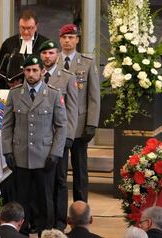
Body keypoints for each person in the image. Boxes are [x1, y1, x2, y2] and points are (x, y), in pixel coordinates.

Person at [1, 55, 67, 234]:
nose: (31, 74)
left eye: (35, 70)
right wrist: (7, 151)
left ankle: (45, 233)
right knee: (21, 199)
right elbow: (7, 125)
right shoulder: (15, 94)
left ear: (42, 71)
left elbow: (61, 126)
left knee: (45, 199)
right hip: (20, 155)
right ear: (24, 71)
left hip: (44, 156)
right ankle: (21, 233)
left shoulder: (53, 94)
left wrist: (56, 153)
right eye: (28, 70)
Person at [57, 24, 101, 203]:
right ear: (60, 39)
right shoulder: (53, 61)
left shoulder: (87, 63)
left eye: (71, 37)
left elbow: (94, 96)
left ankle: (81, 209)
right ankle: (59, 211)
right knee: (58, 172)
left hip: (80, 126)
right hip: (58, 125)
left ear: (77, 40)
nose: (67, 41)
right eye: (64, 37)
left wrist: (91, 123)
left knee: (80, 170)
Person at [39, 40, 78, 231]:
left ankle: (60, 223)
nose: (48, 56)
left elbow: (72, 110)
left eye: (51, 53)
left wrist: (69, 136)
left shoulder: (68, 78)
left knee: (60, 180)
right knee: (43, 181)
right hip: (40, 140)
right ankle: (45, 220)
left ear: (57, 55)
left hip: (60, 139)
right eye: (45, 53)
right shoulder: (34, 76)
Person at [0, 9, 48, 89]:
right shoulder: (9, 43)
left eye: (29, 28)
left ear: (36, 27)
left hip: (39, 91)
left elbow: (51, 71)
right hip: (12, 91)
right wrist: (8, 84)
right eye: (22, 28)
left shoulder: (45, 44)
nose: (25, 32)